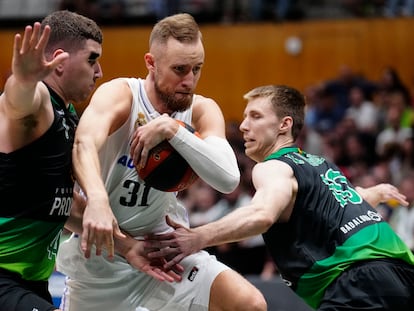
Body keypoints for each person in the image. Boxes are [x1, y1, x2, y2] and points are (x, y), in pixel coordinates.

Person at [56, 13, 267, 311]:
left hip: (165, 248)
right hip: (105, 254)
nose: (189, 80)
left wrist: (173, 130)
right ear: (151, 63)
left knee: (250, 304)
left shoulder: (202, 110)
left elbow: (228, 178)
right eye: (179, 69)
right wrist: (98, 200)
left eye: (197, 69)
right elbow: (83, 144)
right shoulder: (121, 95)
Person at [146, 85, 414, 310]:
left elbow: (262, 214)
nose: (243, 126)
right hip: (402, 275)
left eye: (256, 116)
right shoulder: (321, 163)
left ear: (285, 124)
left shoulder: (272, 167)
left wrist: (197, 238)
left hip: (357, 282)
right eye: (244, 117)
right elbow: (348, 198)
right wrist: (374, 193)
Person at [0, 10, 103, 311]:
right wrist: (23, 80)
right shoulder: (39, 102)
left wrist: (132, 246)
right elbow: (17, 103)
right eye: (92, 60)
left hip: (30, 283)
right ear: (59, 61)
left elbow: (62, 204)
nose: (99, 72)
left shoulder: (68, 116)